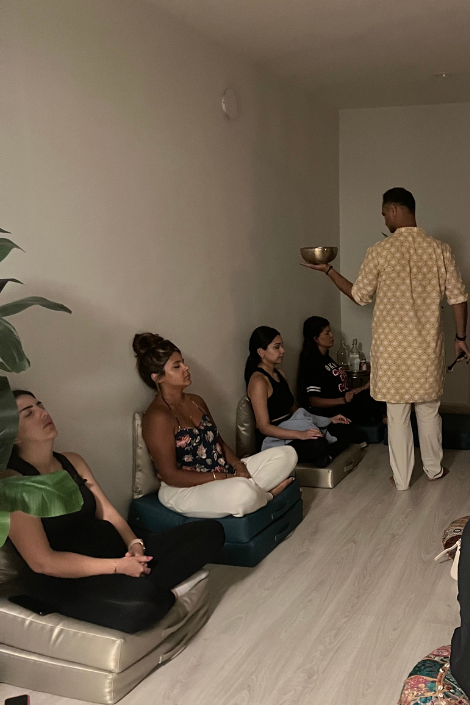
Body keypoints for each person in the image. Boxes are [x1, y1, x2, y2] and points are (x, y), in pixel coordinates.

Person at [4, 390, 225, 633]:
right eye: (29, 414)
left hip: (115, 552)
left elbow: (107, 513)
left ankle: (140, 581)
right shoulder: (13, 483)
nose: (43, 413)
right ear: (14, 435)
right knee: (142, 606)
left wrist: (134, 545)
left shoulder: (72, 461)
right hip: (71, 579)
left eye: (40, 405)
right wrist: (119, 566)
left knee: (210, 531)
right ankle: (149, 589)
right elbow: (43, 562)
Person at [303, 187, 469, 491]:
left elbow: (359, 295)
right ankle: (433, 471)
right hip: (426, 351)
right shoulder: (440, 250)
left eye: (384, 214)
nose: (384, 220)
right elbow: (458, 298)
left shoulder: (380, 251)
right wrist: (461, 337)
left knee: (397, 415)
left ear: (393, 210)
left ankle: (402, 480)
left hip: (393, 354)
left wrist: (328, 270)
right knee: (429, 412)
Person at [134, 332, 297, 519]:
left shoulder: (196, 401)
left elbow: (218, 442)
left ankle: (251, 493)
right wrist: (224, 478)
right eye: (177, 366)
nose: (186, 368)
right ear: (157, 377)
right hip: (184, 489)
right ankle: (266, 496)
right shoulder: (158, 416)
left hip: (221, 471)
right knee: (242, 491)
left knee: (287, 454)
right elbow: (170, 475)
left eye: (183, 362)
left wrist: (238, 465)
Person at [246, 326, 366, 468]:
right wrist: (300, 434)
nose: (282, 351)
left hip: (294, 424)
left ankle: (326, 457)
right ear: (261, 352)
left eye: (282, 346)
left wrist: (328, 420)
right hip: (275, 437)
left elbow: (294, 410)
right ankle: (325, 454)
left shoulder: (280, 374)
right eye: (277, 347)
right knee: (318, 443)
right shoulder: (258, 381)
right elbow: (264, 427)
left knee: (346, 428)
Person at [297, 316, 386, 424]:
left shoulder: (327, 359)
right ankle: (384, 420)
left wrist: (364, 387)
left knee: (376, 391)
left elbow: (343, 391)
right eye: (327, 333)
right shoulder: (313, 363)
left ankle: (385, 419)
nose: (331, 335)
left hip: (344, 403)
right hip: (334, 410)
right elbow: (313, 401)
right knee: (368, 398)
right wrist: (342, 400)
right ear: (316, 338)